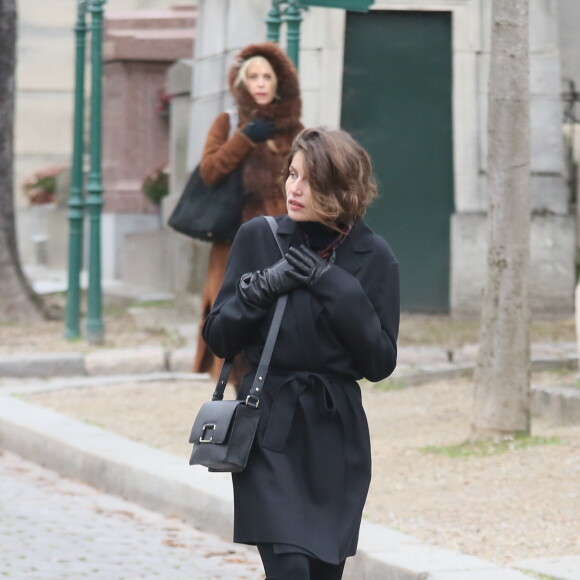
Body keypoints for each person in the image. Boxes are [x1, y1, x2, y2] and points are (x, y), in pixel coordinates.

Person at [202, 127, 400, 579]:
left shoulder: (374, 257)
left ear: (341, 188)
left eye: (309, 180)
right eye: (292, 174)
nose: (294, 188)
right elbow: (217, 337)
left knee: (324, 571)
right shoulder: (260, 238)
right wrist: (262, 289)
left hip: (338, 432)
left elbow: (380, 362)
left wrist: (334, 286)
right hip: (270, 418)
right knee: (289, 565)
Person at [193, 42, 303, 384]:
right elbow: (209, 171)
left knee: (279, 311)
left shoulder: (295, 129)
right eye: (252, 76)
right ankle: (238, 386)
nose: (260, 83)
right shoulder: (227, 123)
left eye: (266, 76)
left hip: (281, 237)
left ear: (277, 84)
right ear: (241, 84)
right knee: (233, 310)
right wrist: (243, 139)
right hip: (234, 240)